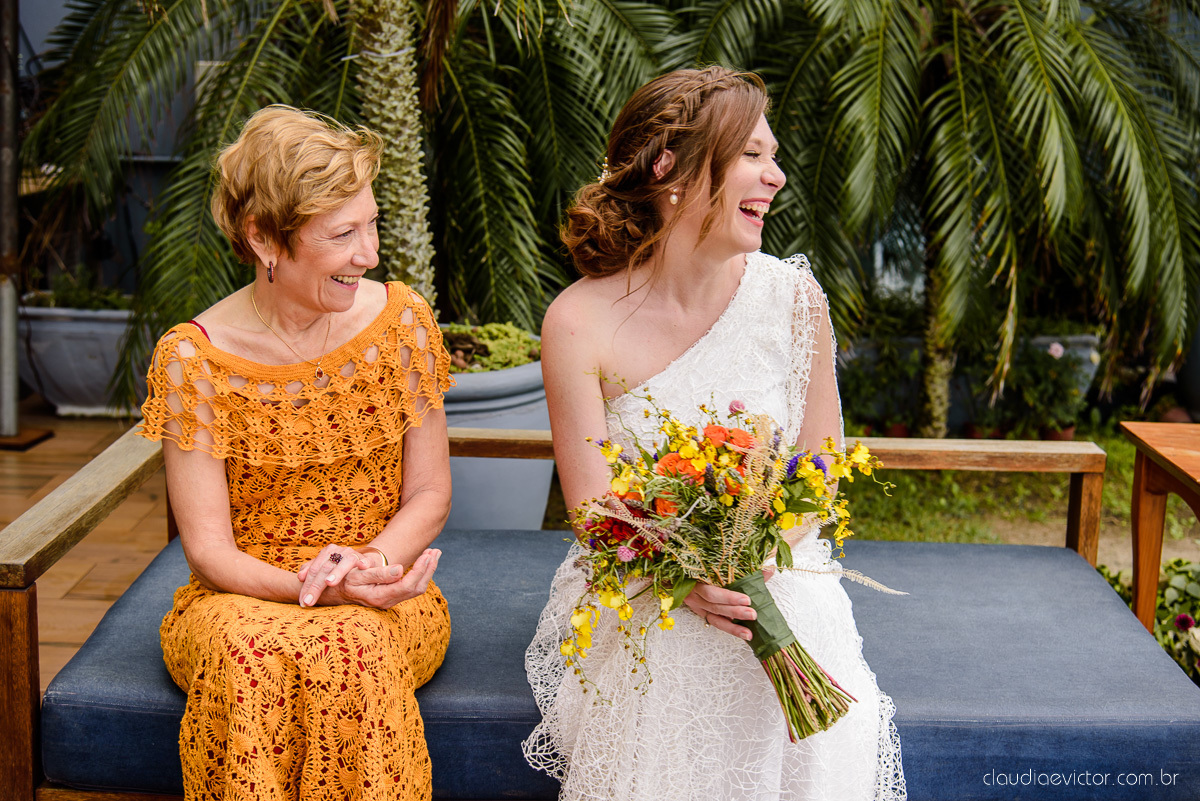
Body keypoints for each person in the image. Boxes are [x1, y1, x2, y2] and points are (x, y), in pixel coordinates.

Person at [522, 68, 906, 800]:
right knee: (680, 646)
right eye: (752, 155)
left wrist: (746, 557)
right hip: (638, 579)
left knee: (793, 613)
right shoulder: (576, 321)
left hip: (778, 565)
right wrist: (685, 576)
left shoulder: (794, 299)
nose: (777, 177)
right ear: (670, 169)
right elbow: (594, 512)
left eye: (774, 156)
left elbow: (821, 465)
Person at [138, 105, 453, 801]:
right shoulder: (194, 360)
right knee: (248, 659)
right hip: (238, 598)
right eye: (343, 234)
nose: (369, 254)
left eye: (370, 224)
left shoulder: (402, 324)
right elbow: (209, 552)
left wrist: (366, 567)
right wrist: (313, 588)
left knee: (356, 648)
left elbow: (430, 494)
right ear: (263, 237)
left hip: (380, 590)